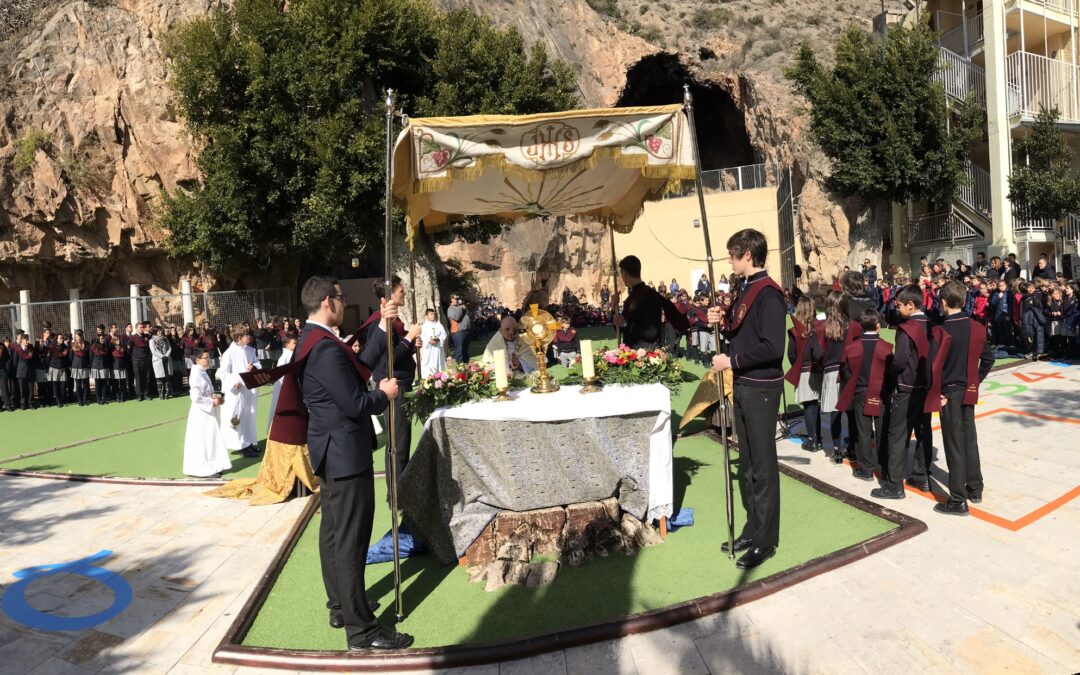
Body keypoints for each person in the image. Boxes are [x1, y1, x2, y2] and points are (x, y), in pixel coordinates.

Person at [298, 275, 413, 650]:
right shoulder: (325, 348)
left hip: (332, 451)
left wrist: (382, 324)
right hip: (345, 454)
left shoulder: (315, 340)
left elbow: (359, 365)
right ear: (328, 302)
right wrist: (385, 394)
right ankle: (362, 630)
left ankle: (341, 606)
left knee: (333, 534)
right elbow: (355, 403)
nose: (345, 303)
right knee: (350, 542)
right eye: (342, 297)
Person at [707, 229, 785, 570]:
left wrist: (731, 362)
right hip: (743, 386)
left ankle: (766, 541)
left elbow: (772, 348)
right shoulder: (745, 289)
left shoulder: (768, 294)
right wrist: (720, 323)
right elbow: (741, 334)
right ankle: (753, 528)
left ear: (748, 256)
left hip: (761, 388)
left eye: (732, 255)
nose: (729, 260)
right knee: (750, 466)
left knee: (764, 468)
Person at [935, 281, 995, 515]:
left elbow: (934, 367)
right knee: (969, 438)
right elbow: (988, 359)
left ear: (943, 302)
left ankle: (957, 498)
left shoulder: (940, 330)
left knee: (953, 443)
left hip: (948, 392)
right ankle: (975, 487)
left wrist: (935, 392)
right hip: (969, 389)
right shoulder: (977, 327)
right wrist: (976, 380)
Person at [872, 285, 934, 500]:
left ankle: (894, 484)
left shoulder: (907, 328)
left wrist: (892, 373)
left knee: (897, 435)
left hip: (907, 387)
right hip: (926, 386)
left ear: (910, 305)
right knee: (923, 432)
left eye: (899, 305)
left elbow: (900, 361)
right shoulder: (934, 325)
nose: (896, 309)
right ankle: (921, 475)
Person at [364, 276, 421, 485]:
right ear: (389, 296)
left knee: (403, 440)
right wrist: (409, 338)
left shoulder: (394, 322)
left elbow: (400, 353)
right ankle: (396, 490)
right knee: (397, 442)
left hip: (401, 382)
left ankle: (401, 485)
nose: (404, 293)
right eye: (400, 291)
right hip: (392, 385)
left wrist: (412, 343)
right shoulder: (381, 324)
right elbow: (389, 360)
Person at [836, 309, 893, 481]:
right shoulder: (886, 347)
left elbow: (845, 372)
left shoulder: (852, 347)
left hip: (860, 391)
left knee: (863, 430)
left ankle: (866, 469)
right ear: (877, 326)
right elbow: (892, 372)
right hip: (881, 392)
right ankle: (884, 466)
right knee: (882, 430)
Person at [613, 255, 690, 349]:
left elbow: (651, 332)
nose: (622, 278)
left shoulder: (649, 296)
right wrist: (614, 306)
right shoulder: (632, 297)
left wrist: (626, 324)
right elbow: (618, 328)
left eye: (621, 275)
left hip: (645, 355)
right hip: (630, 353)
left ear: (625, 274)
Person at [183, 349, 232, 478]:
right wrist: (212, 401)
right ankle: (202, 469)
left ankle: (213, 465)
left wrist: (217, 397)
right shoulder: (196, 374)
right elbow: (195, 397)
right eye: (205, 358)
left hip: (207, 412)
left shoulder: (202, 372)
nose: (208, 360)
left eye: (208, 357)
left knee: (210, 439)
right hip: (201, 413)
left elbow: (208, 391)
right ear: (198, 360)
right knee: (203, 440)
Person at [785, 296, 822, 453]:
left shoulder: (795, 331)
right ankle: (818, 438)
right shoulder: (817, 327)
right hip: (816, 369)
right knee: (815, 405)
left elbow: (791, 355)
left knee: (809, 406)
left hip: (803, 369)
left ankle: (813, 441)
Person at [219, 325, 261, 457]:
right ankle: (240, 445)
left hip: (249, 389)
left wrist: (253, 366)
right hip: (237, 392)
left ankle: (248, 442)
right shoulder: (229, 353)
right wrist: (234, 381)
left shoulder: (250, 350)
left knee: (249, 415)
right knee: (237, 416)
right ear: (238, 338)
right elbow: (223, 373)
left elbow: (258, 363)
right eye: (246, 335)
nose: (249, 337)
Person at [266, 332, 297, 438]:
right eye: (294, 343)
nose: (296, 345)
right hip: (284, 389)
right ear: (287, 344)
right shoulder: (284, 357)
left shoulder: (292, 355)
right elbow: (280, 374)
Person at [419, 308, 447, 378]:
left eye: (434, 314)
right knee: (428, 363)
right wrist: (429, 340)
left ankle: (439, 376)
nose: (433, 316)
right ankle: (427, 378)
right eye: (431, 314)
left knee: (438, 362)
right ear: (426, 315)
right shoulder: (424, 326)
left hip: (437, 348)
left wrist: (438, 339)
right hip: (429, 349)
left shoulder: (439, 325)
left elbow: (444, 334)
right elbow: (422, 336)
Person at [447, 294, 472, 363]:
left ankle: (466, 368)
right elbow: (457, 317)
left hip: (466, 331)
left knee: (465, 351)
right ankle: (460, 369)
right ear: (451, 299)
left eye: (458, 298)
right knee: (459, 352)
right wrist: (461, 308)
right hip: (458, 332)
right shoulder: (450, 309)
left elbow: (469, 316)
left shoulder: (460, 307)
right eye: (456, 298)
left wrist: (465, 309)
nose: (458, 300)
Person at [150, 327, 173, 400]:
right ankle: (161, 394)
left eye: (161, 331)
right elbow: (153, 351)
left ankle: (167, 393)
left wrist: (166, 355)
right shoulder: (152, 340)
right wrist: (162, 356)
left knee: (166, 377)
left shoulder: (165, 339)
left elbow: (169, 348)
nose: (160, 332)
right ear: (155, 332)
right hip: (158, 360)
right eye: (158, 331)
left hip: (166, 359)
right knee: (160, 378)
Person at [69, 335, 91, 407]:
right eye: (76, 338)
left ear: (82, 337)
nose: (77, 339)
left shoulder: (86, 345)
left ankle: (85, 399)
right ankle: (80, 400)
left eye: (78, 337)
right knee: (78, 385)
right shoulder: (73, 346)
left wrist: (88, 364)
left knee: (85, 384)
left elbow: (88, 356)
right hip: (76, 368)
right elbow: (71, 357)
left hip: (85, 367)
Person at [90, 334, 112, 405]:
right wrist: (92, 365)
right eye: (101, 338)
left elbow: (108, 357)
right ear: (98, 339)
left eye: (103, 338)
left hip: (104, 367)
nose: (102, 340)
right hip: (96, 367)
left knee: (104, 384)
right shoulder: (93, 347)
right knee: (97, 384)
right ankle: (98, 399)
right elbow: (91, 357)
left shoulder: (106, 347)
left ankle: (104, 398)